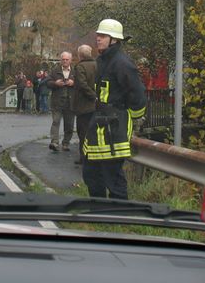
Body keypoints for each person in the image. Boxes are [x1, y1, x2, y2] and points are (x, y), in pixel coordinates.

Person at [82, 19, 146, 200]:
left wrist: (132, 119)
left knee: (113, 176)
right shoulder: (103, 60)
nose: (98, 38)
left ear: (114, 39)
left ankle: (119, 212)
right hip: (99, 122)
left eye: (103, 36)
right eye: (98, 35)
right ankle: (98, 209)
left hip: (114, 127)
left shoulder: (122, 63)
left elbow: (137, 94)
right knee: (91, 173)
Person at [71, 44, 96, 165]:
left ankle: (84, 157)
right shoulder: (98, 65)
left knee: (83, 133)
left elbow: (82, 84)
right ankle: (93, 156)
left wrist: (93, 96)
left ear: (79, 55)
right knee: (93, 132)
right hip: (96, 106)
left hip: (83, 105)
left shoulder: (80, 67)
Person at [46, 52, 75, 151]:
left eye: (67, 59)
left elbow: (82, 83)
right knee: (55, 121)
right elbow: (47, 82)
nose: (65, 61)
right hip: (57, 101)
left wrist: (73, 83)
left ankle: (66, 143)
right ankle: (54, 142)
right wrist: (55, 83)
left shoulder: (75, 71)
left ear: (70, 60)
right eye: (63, 59)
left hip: (70, 102)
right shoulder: (55, 70)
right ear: (60, 60)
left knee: (69, 125)